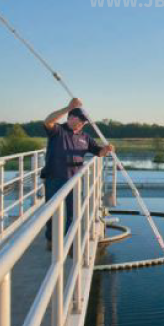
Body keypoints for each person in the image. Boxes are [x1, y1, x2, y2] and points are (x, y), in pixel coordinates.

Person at [41, 98, 115, 249]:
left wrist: (106, 150)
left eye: (85, 121)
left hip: (74, 180)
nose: (83, 122)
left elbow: (98, 153)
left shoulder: (85, 137)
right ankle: (51, 240)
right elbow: (47, 121)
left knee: (71, 213)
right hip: (54, 178)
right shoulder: (58, 131)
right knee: (51, 211)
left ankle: (67, 242)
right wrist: (68, 107)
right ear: (70, 117)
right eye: (81, 119)